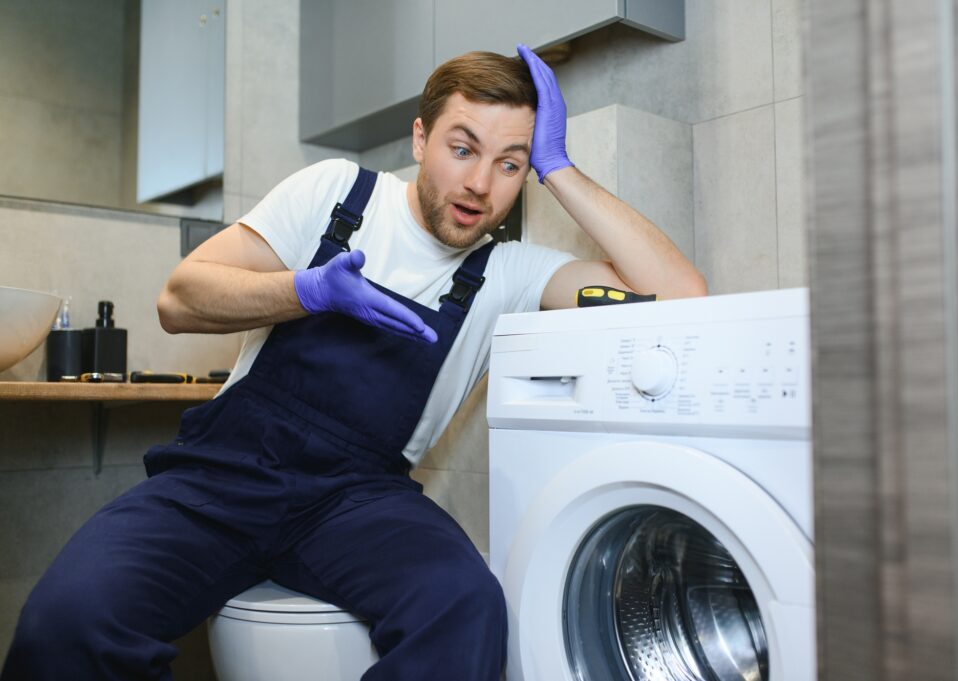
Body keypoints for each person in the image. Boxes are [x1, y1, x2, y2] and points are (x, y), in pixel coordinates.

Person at [1, 44, 706, 680]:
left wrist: (560, 169)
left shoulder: (511, 273)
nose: (480, 184)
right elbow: (178, 300)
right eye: (463, 148)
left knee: (465, 605)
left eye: (509, 164)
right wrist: (307, 291)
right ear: (420, 138)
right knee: (68, 622)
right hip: (224, 478)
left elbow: (679, 296)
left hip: (355, 501)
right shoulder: (338, 193)